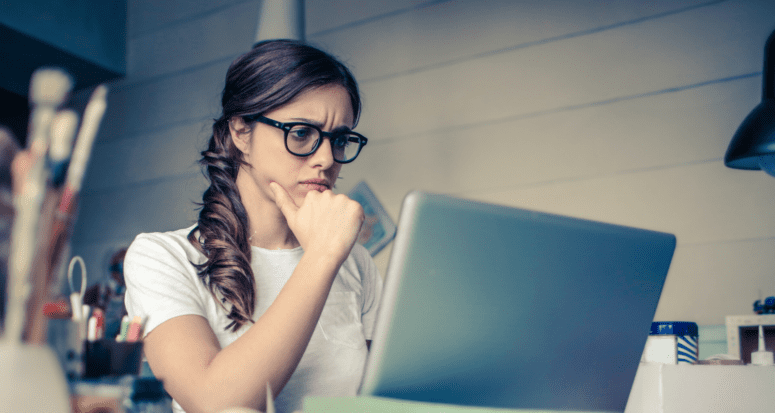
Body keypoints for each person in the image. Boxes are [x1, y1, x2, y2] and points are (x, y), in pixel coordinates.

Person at [123, 39, 382, 413]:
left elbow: (386, 398)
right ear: (241, 131)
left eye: (339, 139)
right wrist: (322, 257)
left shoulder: (356, 264)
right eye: (301, 133)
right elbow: (215, 401)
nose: (326, 159)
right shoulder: (161, 257)